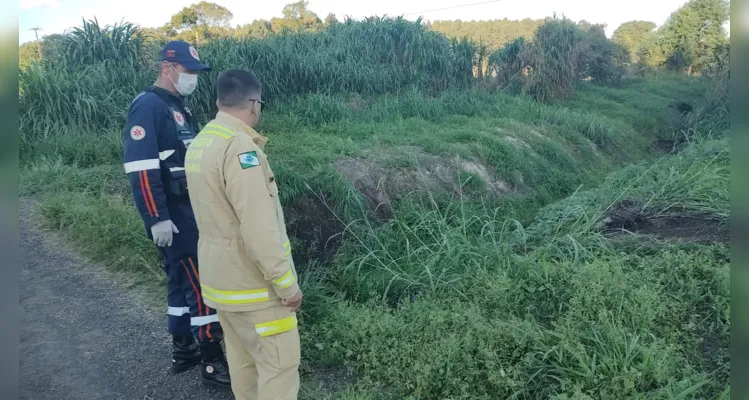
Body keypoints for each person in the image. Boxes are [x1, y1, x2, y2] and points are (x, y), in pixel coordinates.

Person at [184, 69, 302, 400]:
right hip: (256, 291)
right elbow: (258, 229)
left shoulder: (202, 140)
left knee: (245, 371)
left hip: (223, 287)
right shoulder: (239, 149)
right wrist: (286, 285)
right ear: (253, 103)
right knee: (278, 373)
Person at [121, 40, 231, 388]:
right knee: (201, 285)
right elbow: (141, 167)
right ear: (168, 68)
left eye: (196, 72)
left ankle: (184, 350)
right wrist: (156, 217)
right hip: (174, 216)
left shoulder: (177, 106)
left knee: (179, 283)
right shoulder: (148, 106)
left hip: (189, 210)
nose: (193, 78)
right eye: (188, 71)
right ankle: (212, 362)